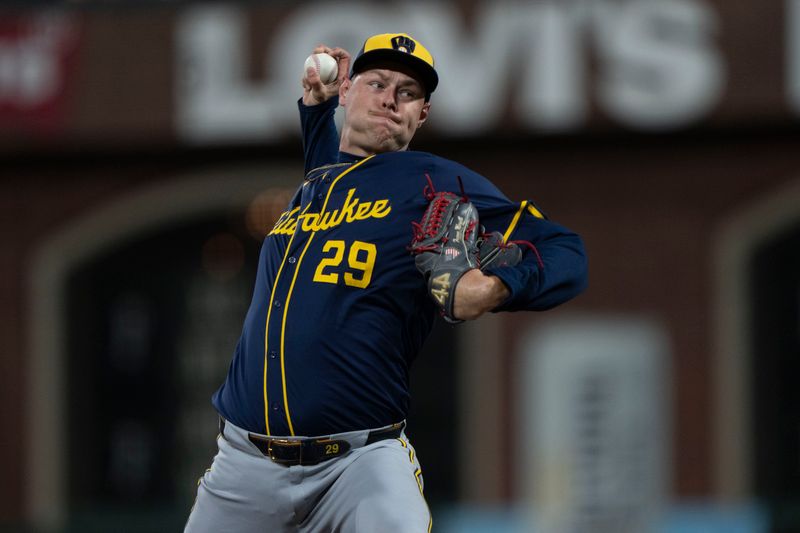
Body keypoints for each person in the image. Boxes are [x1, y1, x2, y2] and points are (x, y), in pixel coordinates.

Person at [184, 32, 587, 533]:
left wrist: (494, 287)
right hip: (244, 466)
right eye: (377, 83)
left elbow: (566, 250)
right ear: (348, 91)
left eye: (409, 92)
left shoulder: (431, 179)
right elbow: (339, 172)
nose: (391, 98)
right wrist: (314, 108)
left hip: (359, 464)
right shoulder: (320, 181)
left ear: (422, 115)